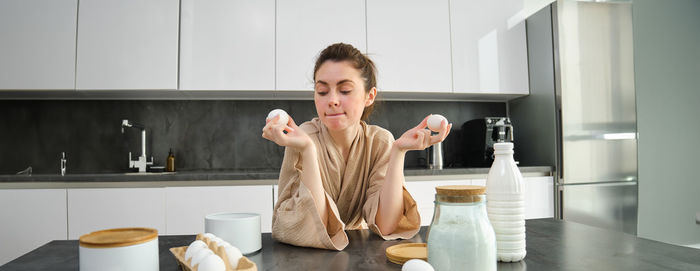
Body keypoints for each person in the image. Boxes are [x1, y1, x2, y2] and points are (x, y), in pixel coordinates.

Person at [261, 43, 452, 250]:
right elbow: (313, 227)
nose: (332, 100)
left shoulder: (379, 141)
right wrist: (307, 151)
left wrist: (398, 152)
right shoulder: (303, 138)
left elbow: (388, 226)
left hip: (359, 252)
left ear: (369, 96)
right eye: (322, 91)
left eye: (344, 90)